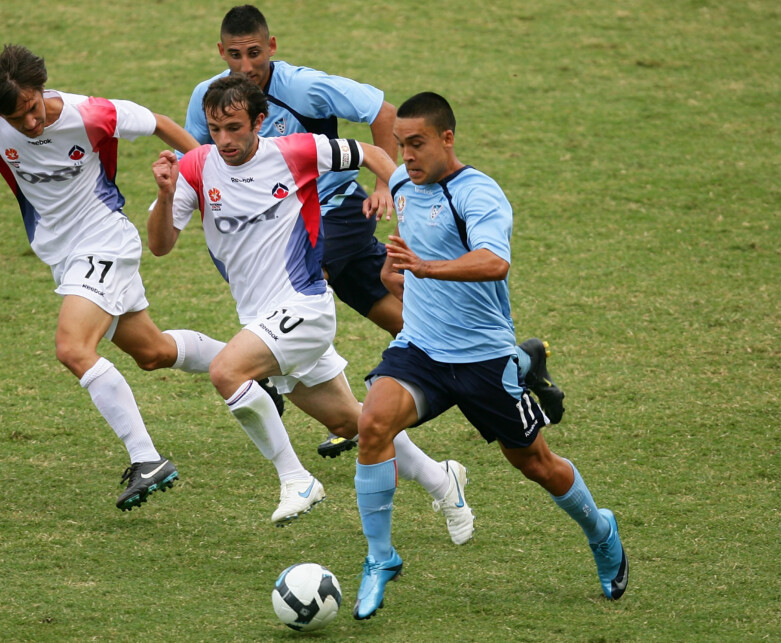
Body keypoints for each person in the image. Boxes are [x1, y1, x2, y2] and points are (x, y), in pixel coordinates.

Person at [185, 4, 564, 459]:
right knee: (386, 306)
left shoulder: (304, 86)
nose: (245, 68)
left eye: (253, 54)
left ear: (271, 47)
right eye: (234, 55)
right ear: (219, 51)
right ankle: (519, 362)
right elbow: (202, 156)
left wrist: (386, 183)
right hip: (277, 218)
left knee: (300, 285)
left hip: (334, 209)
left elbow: (382, 112)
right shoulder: (211, 96)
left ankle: (271, 383)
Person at [148, 75, 474, 542]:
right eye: (215, 129)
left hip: (305, 305)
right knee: (352, 422)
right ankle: (443, 480)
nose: (224, 140)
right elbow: (160, 246)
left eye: (234, 128)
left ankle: (296, 479)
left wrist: (390, 190)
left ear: (259, 121)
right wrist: (164, 194)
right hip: (262, 319)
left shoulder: (294, 151)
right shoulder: (197, 167)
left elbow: (371, 152)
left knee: (226, 371)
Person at [351, 93, 628, 620]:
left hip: (481, 358)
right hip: (422, 349)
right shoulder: (406, 187)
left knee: (535, 464)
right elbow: (408, 264)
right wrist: (397, 276)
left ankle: (601, 529)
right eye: (400, 144)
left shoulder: (478, 194)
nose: (406, 155)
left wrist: (426, 268)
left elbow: (494, 261)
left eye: (417, 143)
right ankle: (381, 557)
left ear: (446, 139)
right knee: (372, 426)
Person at [0, 44, 241, 512]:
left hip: (104, 241)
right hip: (63, 257)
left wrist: (210, 169)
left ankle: (148, 459)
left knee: (72, 348)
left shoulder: (91, 115)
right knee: (153, 352)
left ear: (42, 90)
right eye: (18, 118)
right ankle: (253, 368)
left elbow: (159, 121)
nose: (31, 123)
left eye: (34, 109)